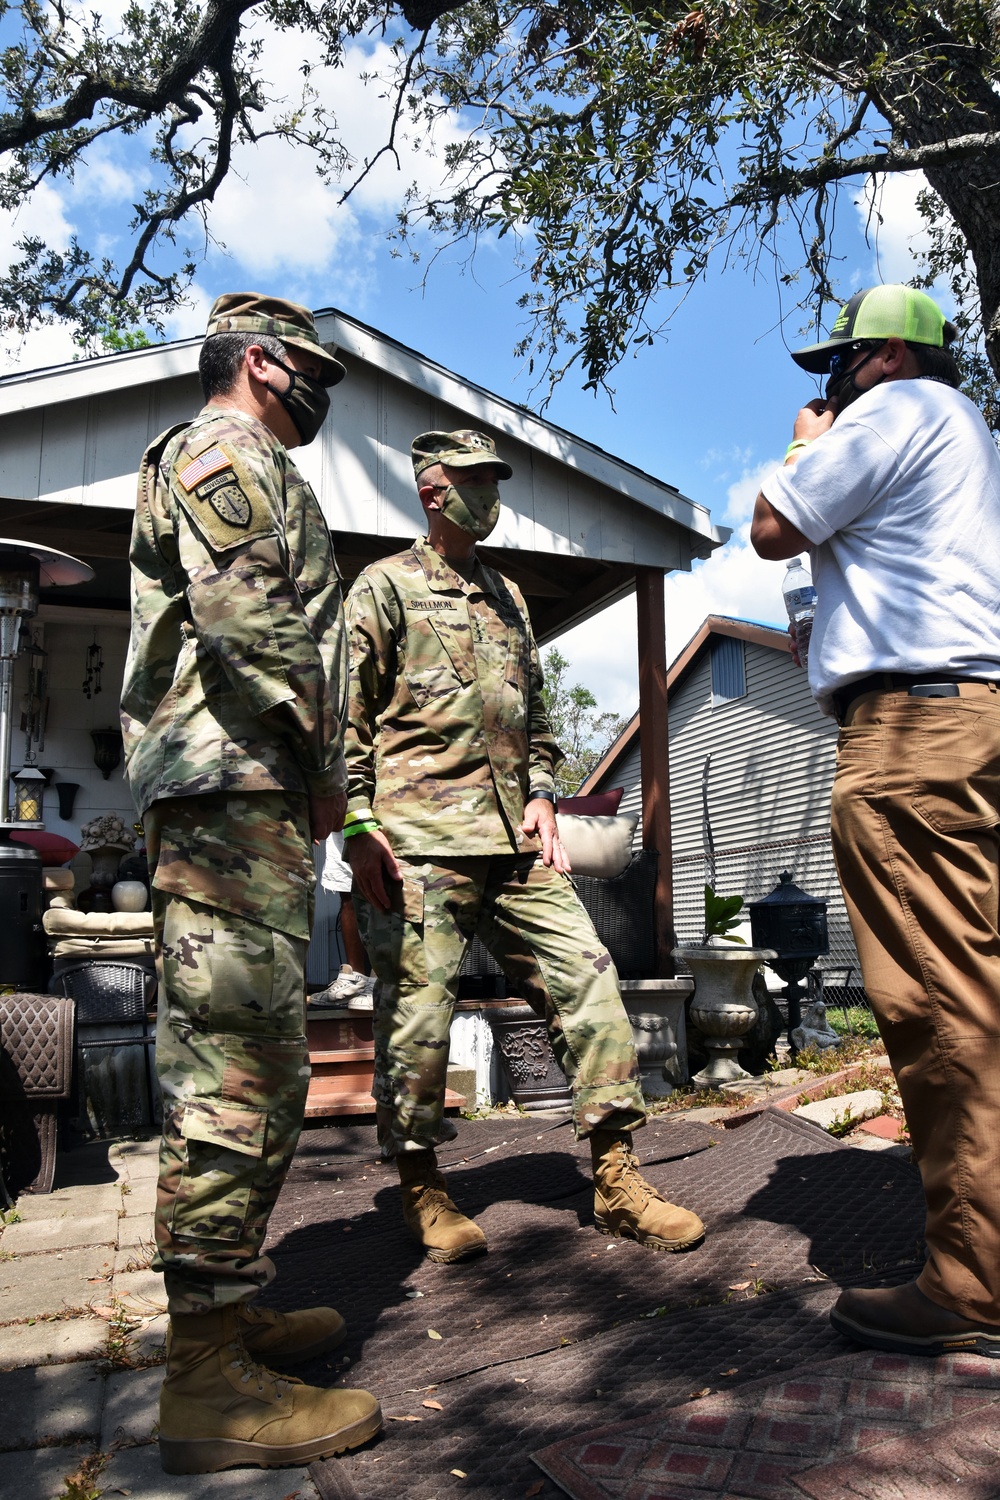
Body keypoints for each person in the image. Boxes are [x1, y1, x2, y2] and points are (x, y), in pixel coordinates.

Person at [121, 293, 382, 1473]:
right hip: (234, 797)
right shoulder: (222, 450)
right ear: (265, 363)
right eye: (312, 370)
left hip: (249, 799)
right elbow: (249, 622)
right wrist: (330, 770)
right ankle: (204, 1380)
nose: (320, 394)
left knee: (260, 1057)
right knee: (235, 1066)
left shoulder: (248, 461)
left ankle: (225, 1310)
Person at [342, 428, 705, 1264]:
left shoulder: (508, 596)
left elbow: (537, 724)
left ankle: (615, 1179)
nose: (491, 494)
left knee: (589, 980)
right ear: (434, 491)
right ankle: (422, 1185)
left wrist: (543, 792)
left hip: (514, 848)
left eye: (494, 480)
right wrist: (358, 828)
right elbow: (345, 722)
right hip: (418, 850)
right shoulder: (383, 589)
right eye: (476, 481)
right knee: (419, 1027)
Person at [750, 283, 1000, 1358]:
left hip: (910, 735)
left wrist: (808, 448)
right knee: (974, 988)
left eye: (839, 365)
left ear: (884, 357)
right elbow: (815, 607)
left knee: (940, 1008)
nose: (828, 386)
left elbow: (769, 528)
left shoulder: (899, 411)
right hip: (949, 719)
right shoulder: (955, 455)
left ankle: (974, 1286)